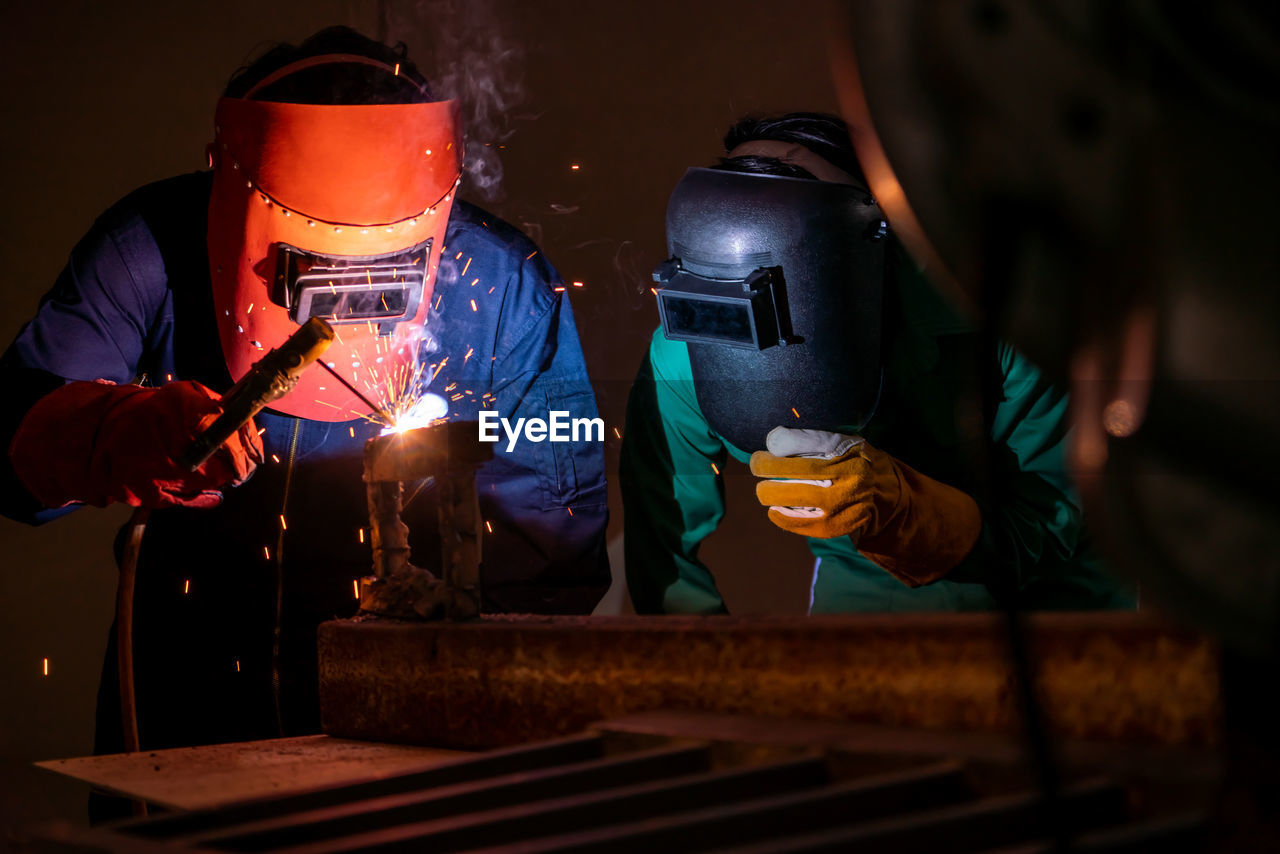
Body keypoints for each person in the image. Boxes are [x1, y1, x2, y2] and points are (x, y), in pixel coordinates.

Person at [0, 27, 608, 765]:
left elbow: (553, 554)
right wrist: (107, 431)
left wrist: (479, 707)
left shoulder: (500, 281)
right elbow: (12, 447)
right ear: (232, 179)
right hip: (189, 695)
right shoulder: (150, 246)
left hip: (412, 711)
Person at [621, 112, 1128, 614]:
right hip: (864, 607)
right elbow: (662, 556)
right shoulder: (683, 350)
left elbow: (1061, 520)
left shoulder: (1004, 320)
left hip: (1056, 616)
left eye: (785, 187)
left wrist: (909, 514)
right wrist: (703, 680)